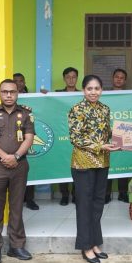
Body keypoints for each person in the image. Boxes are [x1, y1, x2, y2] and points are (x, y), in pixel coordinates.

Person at [0, 79, 35, 263]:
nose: (9, 95)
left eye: (12, 91)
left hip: (19, 165)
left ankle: (16, 246)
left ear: (17, 93)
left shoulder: (26, 113)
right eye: (5, 92)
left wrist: (16, 157)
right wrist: (5, 156)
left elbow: (29, 138)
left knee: (17, 207)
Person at [68, 75, 121, 263]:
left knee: (98, 204)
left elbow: (107, 134)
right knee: (85, 205)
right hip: (83, 163)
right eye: (89, 88)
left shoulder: (105, 109)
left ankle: (95, 242)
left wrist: (121, 140)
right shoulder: (77, 109)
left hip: (102, 162)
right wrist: (100, 146)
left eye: (97, 88)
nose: (93, 92)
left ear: (101, 90)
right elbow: (76, 138)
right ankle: (86, 246)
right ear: (83, 90)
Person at [14, 72, 39, 211]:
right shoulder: (9, 99)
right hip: (11, 140)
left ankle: (30, 199)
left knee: (30, 169)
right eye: (15, 81)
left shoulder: (32, 98)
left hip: (27, 137)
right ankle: (18, 200)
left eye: (21, 81)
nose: (18, 83)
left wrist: (45, 96)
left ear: (24, 82)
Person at [56, 67, 79, 206]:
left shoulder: (83, 94)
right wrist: (44, 95)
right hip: (61, 134)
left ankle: (76, 194)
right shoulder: (56, 94)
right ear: (64, 78)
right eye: (68, 77)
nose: (71, 79)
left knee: (79, 165)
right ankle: (64, 195)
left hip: (78, 135)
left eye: (74, 77)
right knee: (62, 164)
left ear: (77, 78)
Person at [105, 68, 129, 203]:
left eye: (121, 78)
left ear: (125, 81)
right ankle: (106, 194)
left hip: (123, 131)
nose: (119, 79)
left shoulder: (130, 95)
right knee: (107, 161)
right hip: (106, 131)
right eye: (116, 77)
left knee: (123, 160)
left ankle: (123, 193)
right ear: (112, 78)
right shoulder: (103, 94)